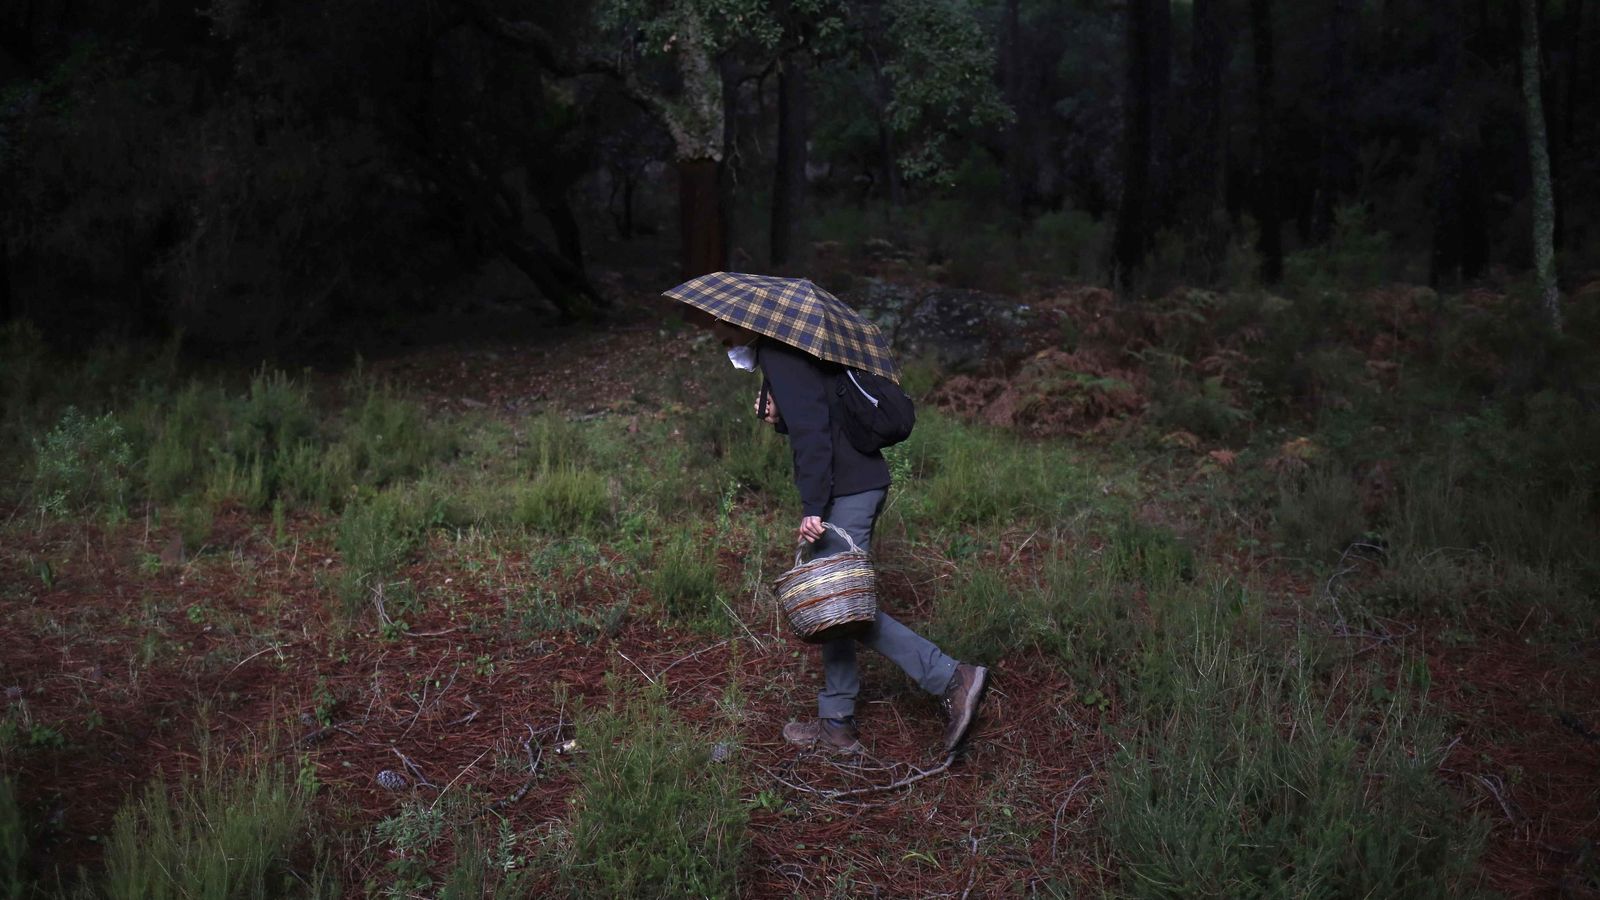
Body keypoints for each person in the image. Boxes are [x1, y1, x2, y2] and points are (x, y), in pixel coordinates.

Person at [696, 311, 989, 755]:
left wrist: (813, 506)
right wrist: (782, 418)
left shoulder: (780, 354)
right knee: (831, 603)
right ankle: (836, 723)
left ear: (751, 322)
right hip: (853, 481)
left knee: (838, 604)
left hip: (846, 488)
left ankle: (950, 676)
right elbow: (822, 415)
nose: (719, 335)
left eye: (723, 327)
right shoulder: (796, 351)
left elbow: (814, 437)